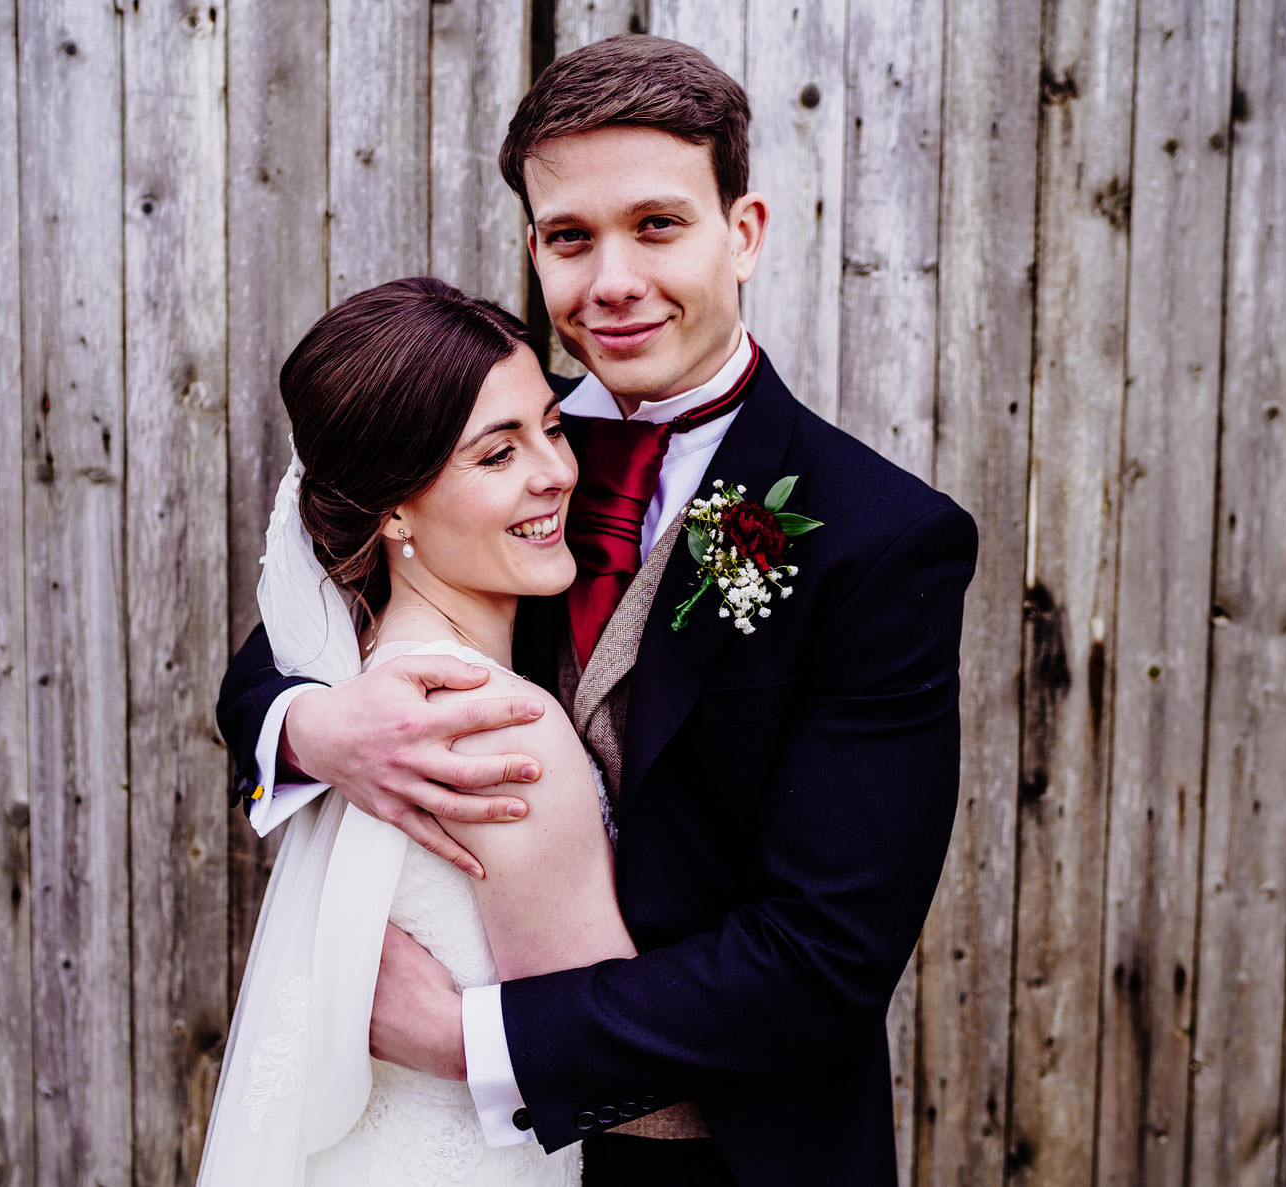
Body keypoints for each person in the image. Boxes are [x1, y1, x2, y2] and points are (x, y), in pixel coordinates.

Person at [218, 35, 977, 1185]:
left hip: (727, 1154)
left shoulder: (880, 539)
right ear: (534, 248)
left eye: (657, 224)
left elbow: (825, 953)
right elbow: (278, 654)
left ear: (745, 233)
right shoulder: (492, 462)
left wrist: (473, 1038)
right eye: (571, 237)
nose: (611, 279)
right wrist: (317, 730)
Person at [198, 277, 630, 1185]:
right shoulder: (497, 729)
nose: (555, 471)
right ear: (393, 508)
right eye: (496, 454)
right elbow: (612, 1070)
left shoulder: (353, 666)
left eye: (551, 428)